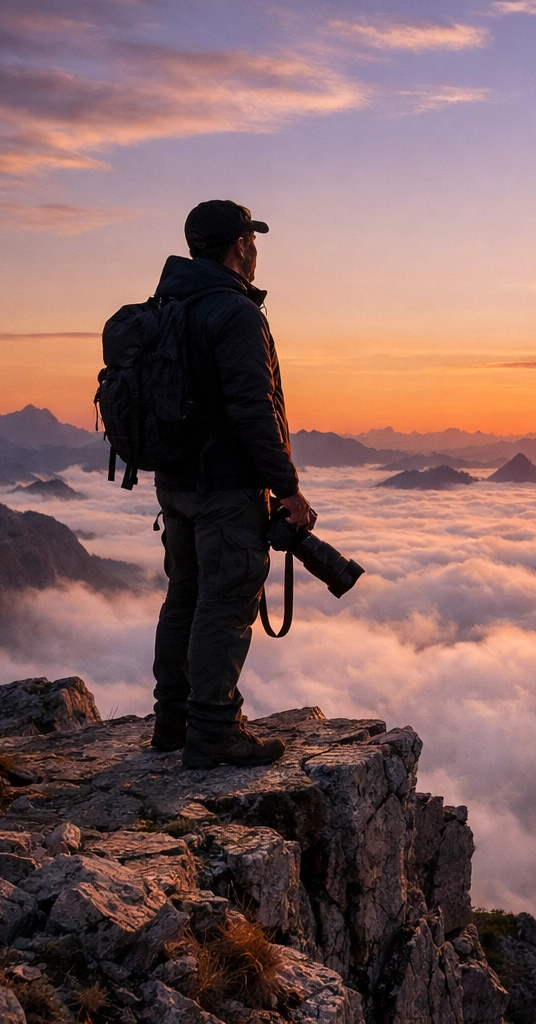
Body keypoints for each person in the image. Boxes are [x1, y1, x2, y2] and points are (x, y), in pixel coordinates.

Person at [147, 200, 317, 768]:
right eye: (251, 239)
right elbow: (253, 409)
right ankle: (213, 729)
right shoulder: (235, 312)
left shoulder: (170, 304)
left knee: (185, 595)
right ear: (240, 245)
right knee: (226, 600)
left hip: (175, 484)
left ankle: (172, 719)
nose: (255, 249)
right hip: (225, 488)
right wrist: (286, 487)